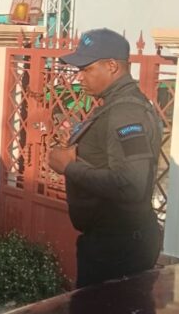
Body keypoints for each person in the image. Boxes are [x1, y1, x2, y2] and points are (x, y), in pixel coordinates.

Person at [46, 28, 163, 289]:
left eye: (87, 69)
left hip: (119, 247)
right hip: (110, 241)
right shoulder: (114, 105)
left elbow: (131, 184)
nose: (80, 77)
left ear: (112, 66)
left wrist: (69, 167)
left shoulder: (127, 113)